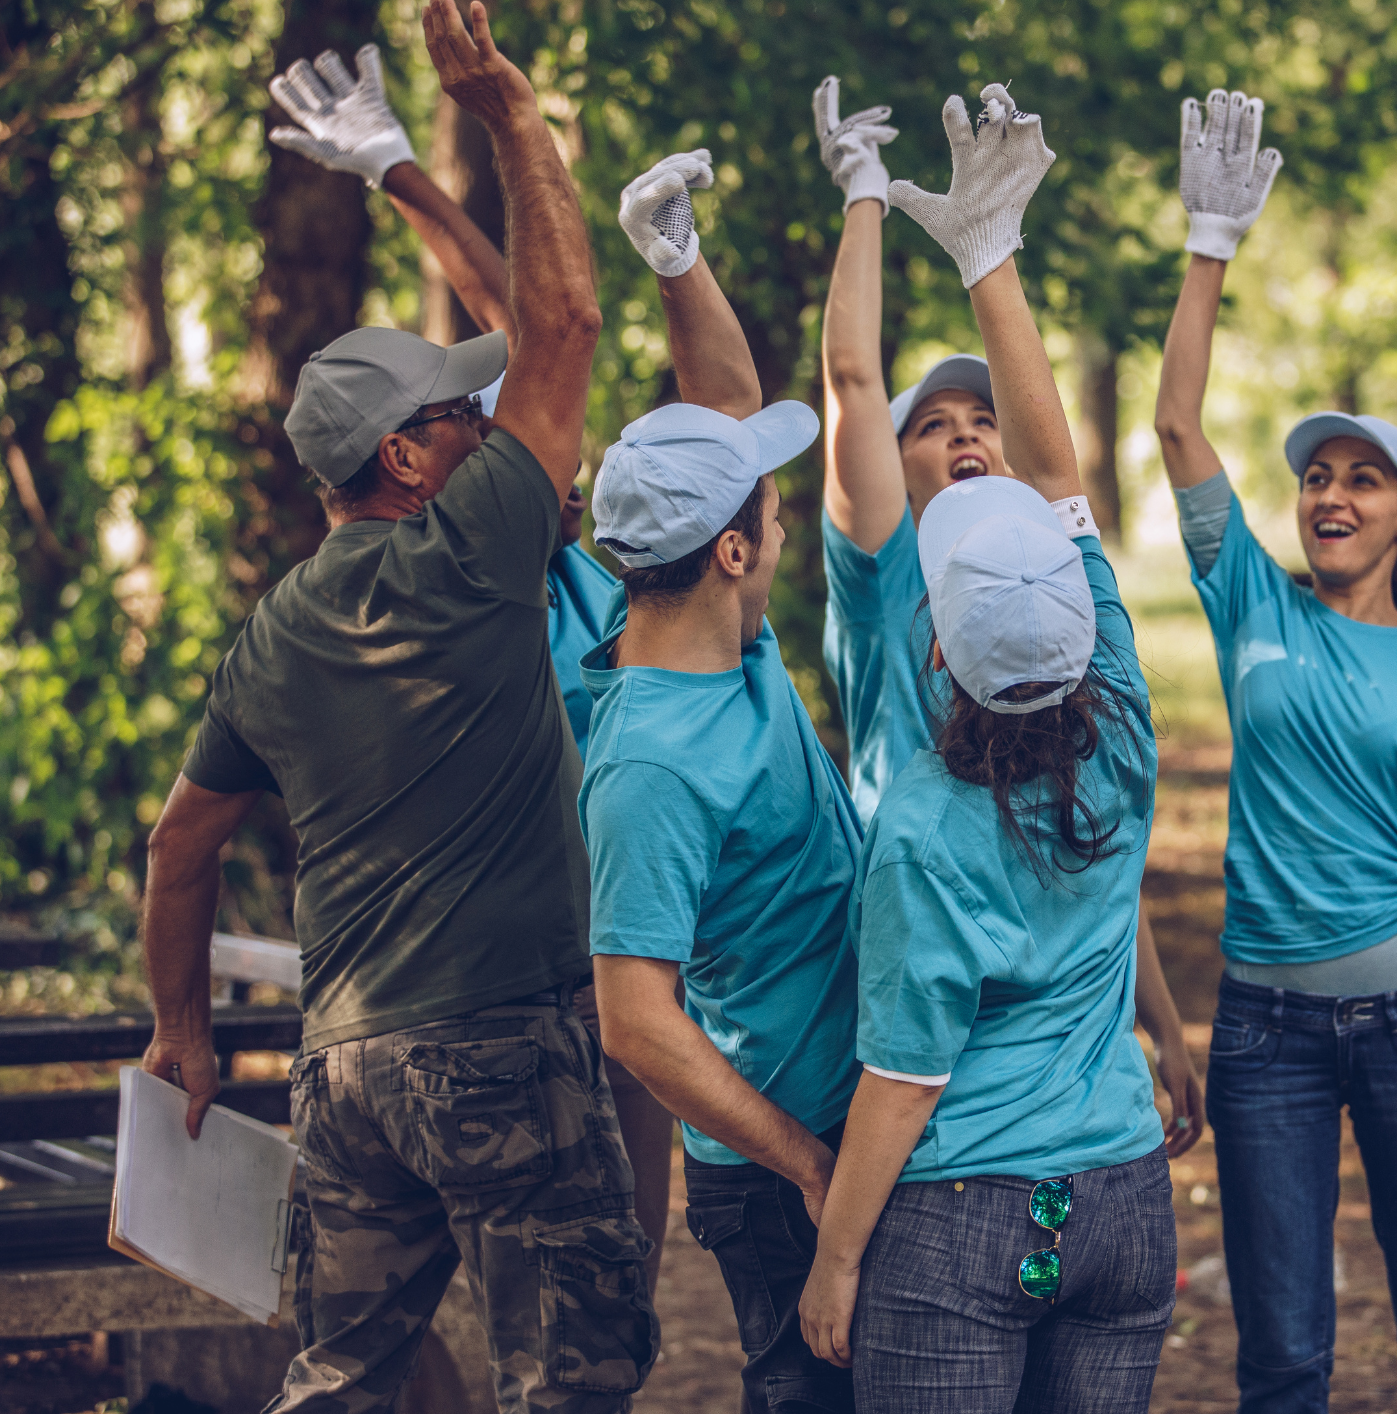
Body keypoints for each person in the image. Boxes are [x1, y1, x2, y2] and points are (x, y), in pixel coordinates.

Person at [139, 5, 657, 1409]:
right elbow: (562, 319)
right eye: (451, 417)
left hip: (348, 1067)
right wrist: (507, 116)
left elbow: (180, 844)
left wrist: (180, 1029)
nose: (482, 425)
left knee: (346, 1379)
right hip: (501, 1047)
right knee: (573, 1377)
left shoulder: (275, 632)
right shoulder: (476, 551)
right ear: (406, 461)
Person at [1152, 89, 1397, 1414]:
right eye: (1316, 476)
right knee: (1283, 1355)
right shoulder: (1250, 602)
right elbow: (1175, 429)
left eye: (1360, 479)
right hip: (1261, 1033)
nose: (1329, 494)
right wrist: (1211, 243)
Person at [263, 36, 675, 1299]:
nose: (515, 439)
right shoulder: (466, 576)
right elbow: (539, 327)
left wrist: (399, 167)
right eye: (475, 431)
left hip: (621, 969)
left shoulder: (596, 582)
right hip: (499, 996)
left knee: (605, 1299)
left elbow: (520, 327)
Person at [796, 85, 1176, 1414]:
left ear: (947, 652)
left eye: (981, 426)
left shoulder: (927, 826)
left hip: (957, 1171)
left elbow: (905, 1074)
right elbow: (859, 389)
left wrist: (838, 1257)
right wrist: (977, 254)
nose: (965, 436)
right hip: (1119, 1173)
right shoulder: (1115, 702)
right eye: (931, 427)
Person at [578, 146, 861, 1414]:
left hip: (854, 1118)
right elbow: (633, 1019)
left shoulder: (713, 627)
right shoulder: (646, 762)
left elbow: (730, 410)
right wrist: (805, 1160)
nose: (786, 522)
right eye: (770, 513)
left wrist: (675, 260)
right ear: (734, 547)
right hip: (778, 1161)